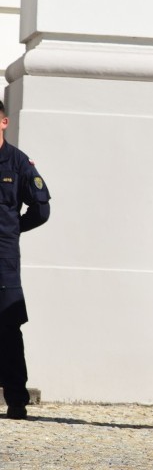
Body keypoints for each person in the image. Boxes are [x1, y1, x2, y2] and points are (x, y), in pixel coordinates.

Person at [0, 101, 50, 421]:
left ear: (4, 122)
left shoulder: (18, 163)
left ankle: (17, 399)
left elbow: (41, 209)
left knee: (7, 327)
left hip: (3, 259)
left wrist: (14, 229)